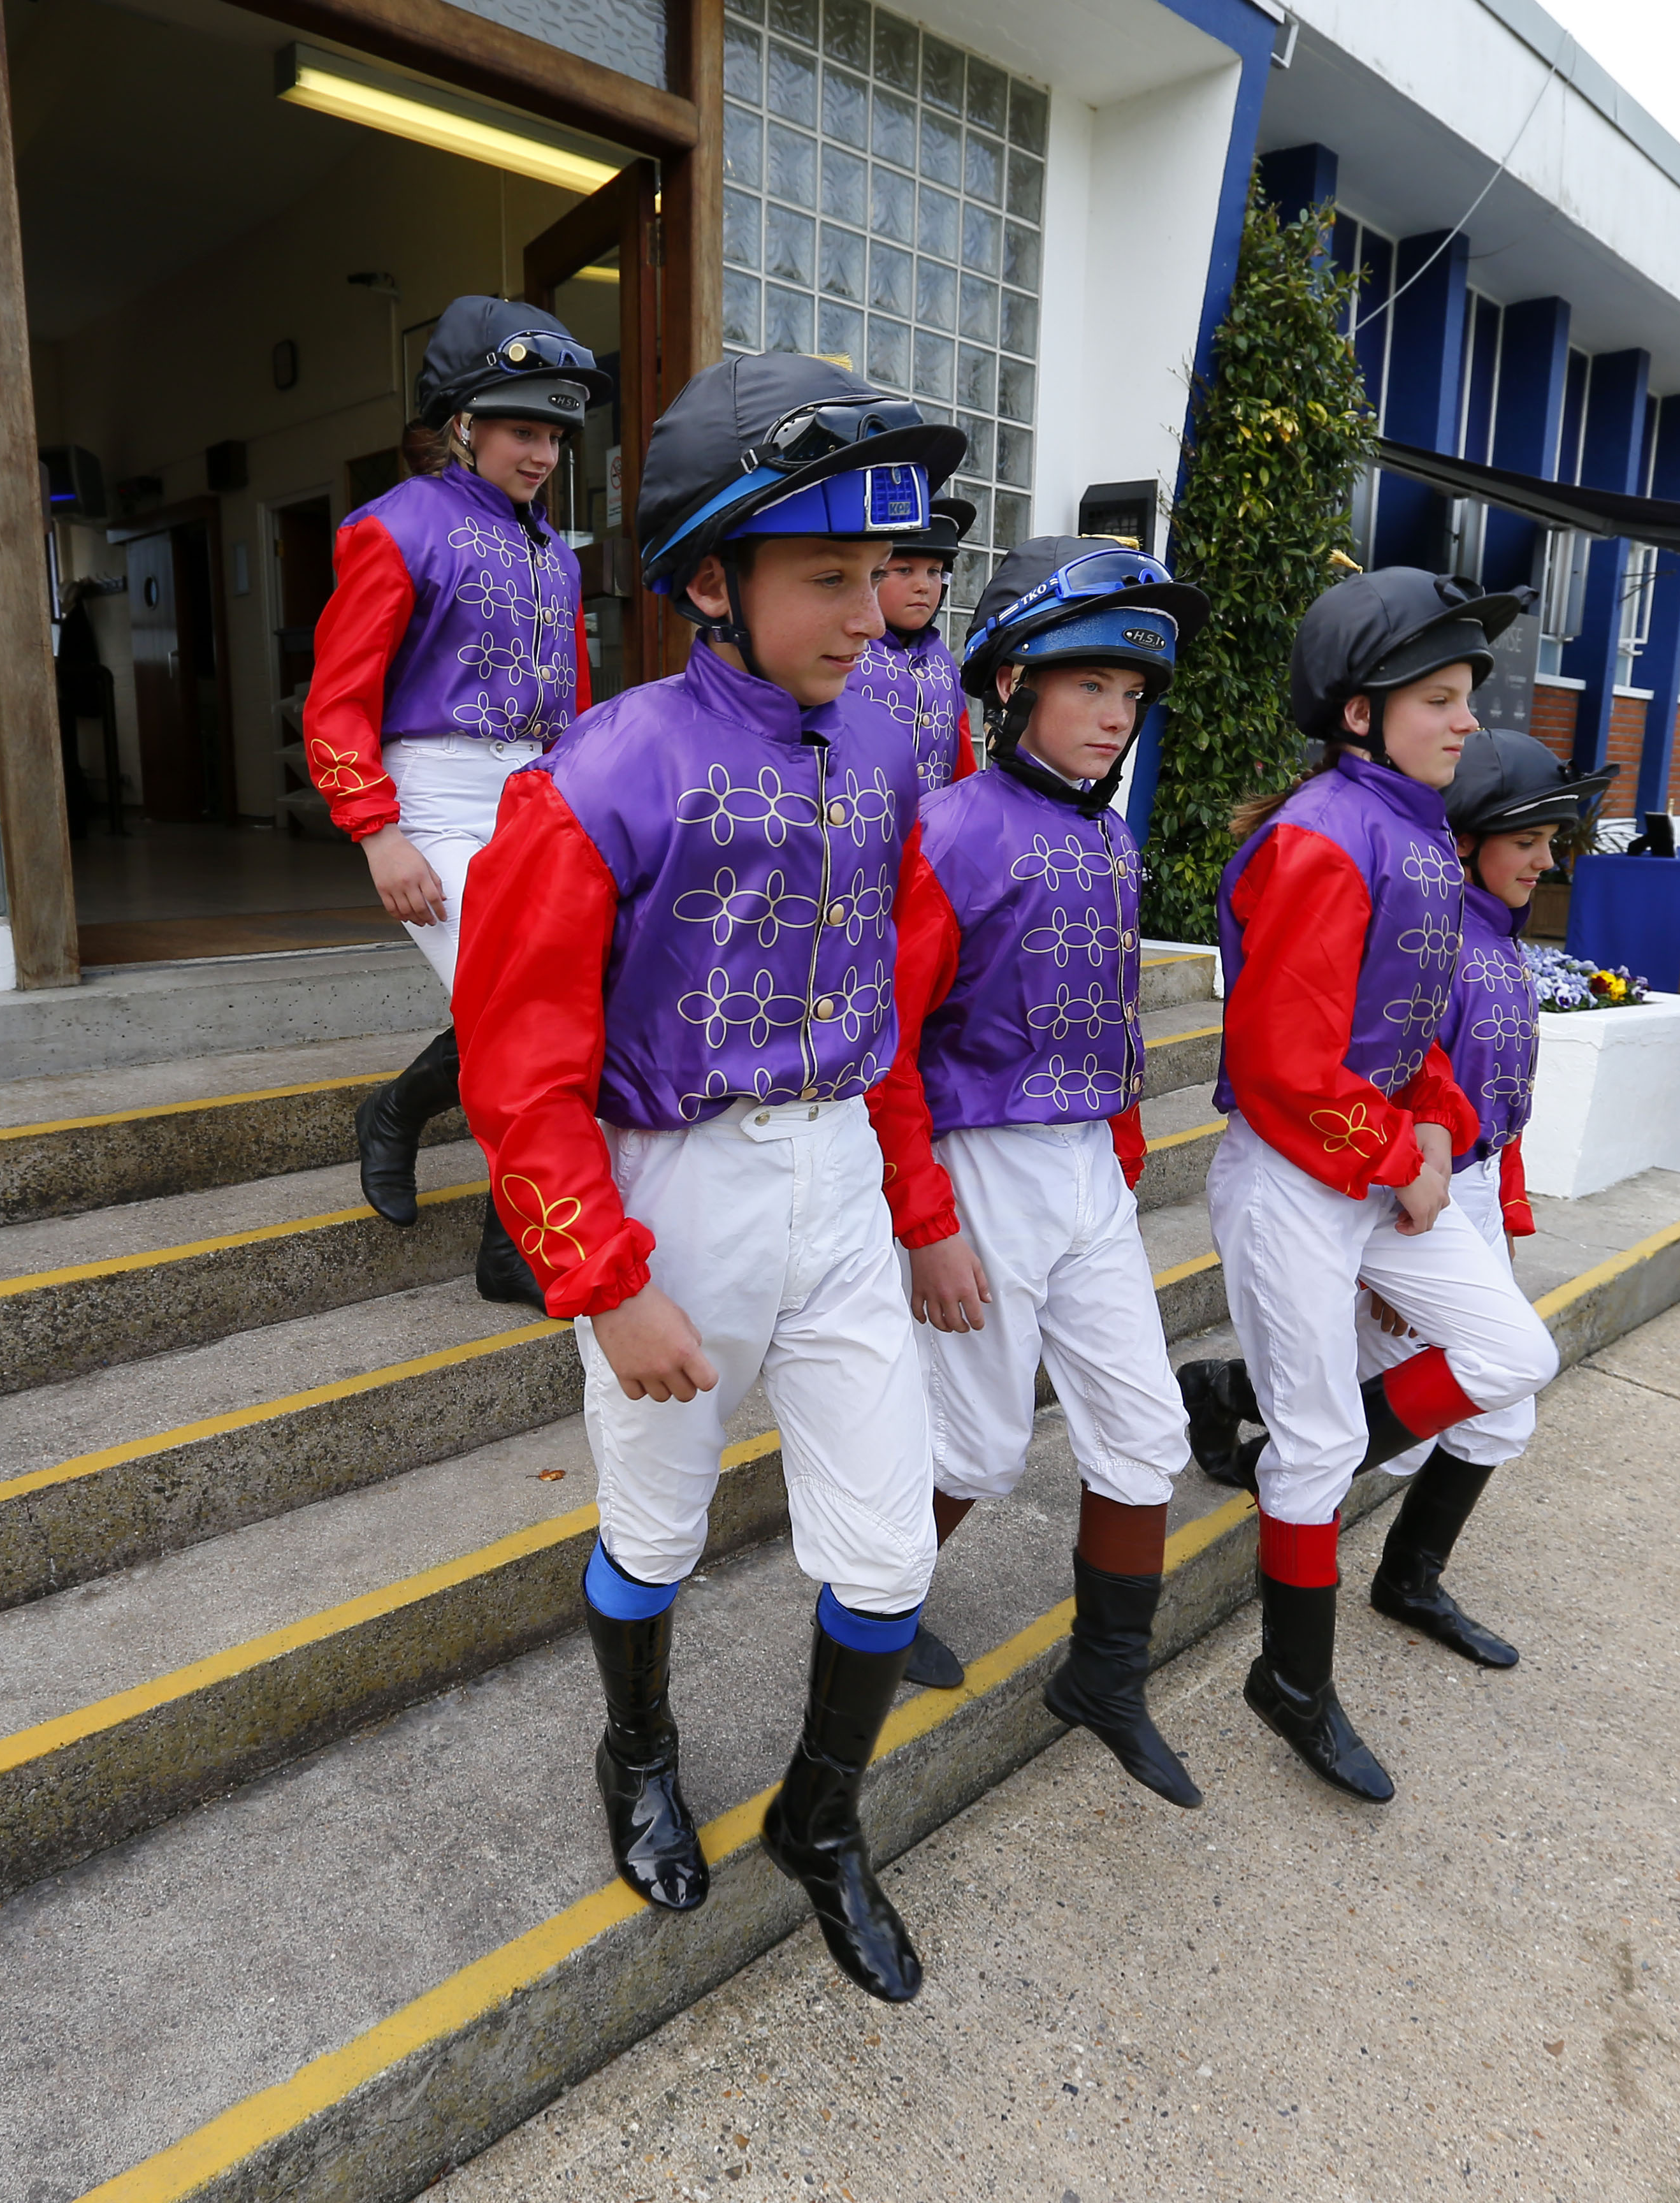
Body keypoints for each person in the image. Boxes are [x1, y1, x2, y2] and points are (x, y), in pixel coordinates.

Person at [454, 355, 966, 2002]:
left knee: (885, 1559)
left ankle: (821, 1820)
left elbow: (885, 999)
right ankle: (639, 1750)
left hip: (836, 1187)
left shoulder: (887, 742)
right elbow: (516, 1068)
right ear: (708, 583)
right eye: (826, 580)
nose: (872, 617)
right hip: (676, 1190)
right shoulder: (599, 773)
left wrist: (913, 1208)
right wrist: (604, 1278)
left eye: (878, 578)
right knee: (656, 1533)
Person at [1174, 570, 1561, 1805]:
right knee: (1325, 1435)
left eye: (1466, 700)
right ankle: (1291, 1680)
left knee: (1511, 1357)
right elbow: (1283, 1060)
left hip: (1383, 1166)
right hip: (1294, 1180)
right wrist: (1405, 1154)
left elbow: (1409, 1026)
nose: (1466, 723)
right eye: (1440, 700)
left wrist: (1437, 1126)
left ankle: (1308, 1453)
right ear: (1359, 715)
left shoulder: (1412, 834)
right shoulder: (1320, 838)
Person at [864, 535, 1211, 1813]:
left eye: (1130, 698)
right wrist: (926, 1219)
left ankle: (1105, 1682)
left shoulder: (1113, 845)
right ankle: (873, 1604)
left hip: (1084, 1182)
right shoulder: (944, 836)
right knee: (980, 1441)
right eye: (1088, 690)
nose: (1115, 719)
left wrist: (1121, 1157)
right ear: (1009, 683)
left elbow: (1111, 1020)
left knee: (1144, 1433)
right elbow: (883, 1050)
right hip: (979, 1170)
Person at [1196, 728, 1613, 1671]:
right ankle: (1305, 1615)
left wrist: (1496, 1202)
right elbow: (1301, 1060)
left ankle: (1348, 1515)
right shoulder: (1424, 921)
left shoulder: (1487, 940)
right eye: (1531, 841)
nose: (1548, 863)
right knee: (1347, 1435)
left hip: (1424, 1179)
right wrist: (1408, 1172)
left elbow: (1471, 1090)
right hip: (1375, 1177)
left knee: (1479, 1394)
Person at [306, 296, 610, 1307]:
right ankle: (513, 1244)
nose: (542, 454)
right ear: (464, 423)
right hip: (433, 791)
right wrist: (378, 833)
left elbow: (571, 698)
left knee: (561, 998)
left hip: (537, 793)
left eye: (556, 435)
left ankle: (398, 1111)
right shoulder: (392, 529)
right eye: (524, 429)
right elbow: (338, 694)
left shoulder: (555, 552)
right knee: (525, 1009)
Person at [851, 497, 980, 792]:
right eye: (905, 570)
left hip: (934, 833)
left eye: (934, 571)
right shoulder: (842, 653)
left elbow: (961, 760)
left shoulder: (943, 661)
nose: (924, 585)